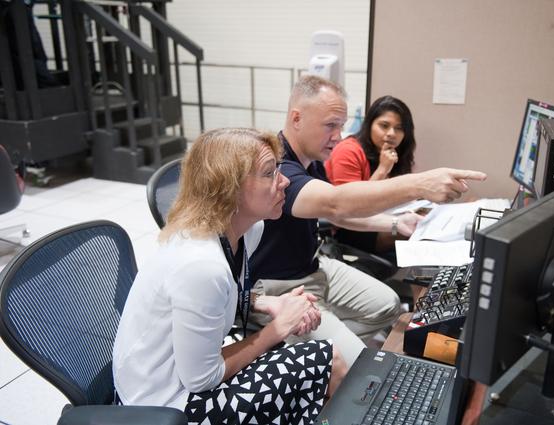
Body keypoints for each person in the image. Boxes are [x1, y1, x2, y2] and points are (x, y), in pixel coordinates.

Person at [249, 76, 487, 368]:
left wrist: (394, 224)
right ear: (296, 118)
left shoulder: (311, 161)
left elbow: (337, 215)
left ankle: (323, 346)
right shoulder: (280, 168)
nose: (338, 136)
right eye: (330, 125)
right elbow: (335, 202)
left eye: (341, 126)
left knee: (388, 307)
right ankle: (306, 356)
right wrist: (420, 184)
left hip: (315, 265)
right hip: (281, 287)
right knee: (353, 366)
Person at [113, 128, 346, 425]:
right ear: (228, 188)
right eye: (269, 172)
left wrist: (267, 303)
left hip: (178, 378)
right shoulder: (201, 264)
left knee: (315, 368)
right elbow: (202, 378)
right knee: (327, 360)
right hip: (162, 405)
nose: (284, 180)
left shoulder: (245, 230)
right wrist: (277, 329)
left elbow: (224, 295)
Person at [325, 95, 417, 255]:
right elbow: (350, 205)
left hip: (382, 216)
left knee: (426, 219)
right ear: (369, 124)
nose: (391, 133)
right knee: (413, 230)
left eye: (399, 128)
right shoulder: (348, 150)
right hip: (347, 227)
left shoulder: (398, 152)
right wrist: (382, 169)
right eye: (384, 125)